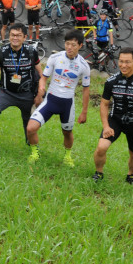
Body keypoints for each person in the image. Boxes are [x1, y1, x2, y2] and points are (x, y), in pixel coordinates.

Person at [27, 29, 91, 165]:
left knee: (67, 133)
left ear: (80, 46)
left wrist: (84, 112)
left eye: (73, 45)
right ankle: (35, 153)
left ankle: (67, 156)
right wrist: (41, 87)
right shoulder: (55, 58)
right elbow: (43, 78)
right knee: (31, 128)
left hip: (67, 104)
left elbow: (86, 90)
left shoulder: (84, 66)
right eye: (67, 43)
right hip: (50, 100)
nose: (69, 47)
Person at [92, 47, 133, 184]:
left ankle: (131, 175)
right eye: (121, 61)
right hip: (115, 120)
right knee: (101, 147)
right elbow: (104, 104)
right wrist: (106, 126)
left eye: (127, 62)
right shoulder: (111, 81)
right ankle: (99, 172)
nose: (123, 65)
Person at [0, 23, 44, 149]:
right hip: (6, 92)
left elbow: (41, 74)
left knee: (30, 122)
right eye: (12, 35)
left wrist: (40, 95)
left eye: (18, 35)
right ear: (8, 35)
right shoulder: (0, 52)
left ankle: (32, 147)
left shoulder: (32, 51)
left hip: (27, 93)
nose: (15, 38)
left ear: (24, 37)